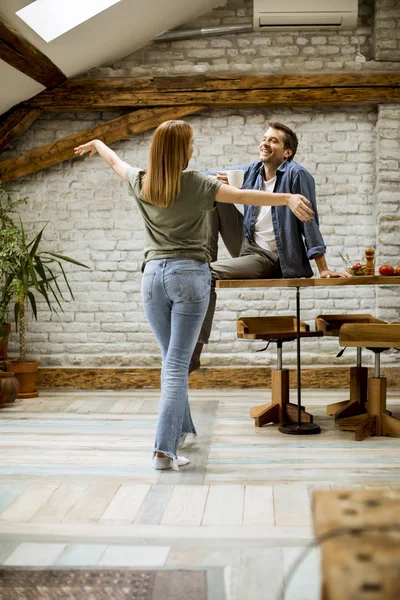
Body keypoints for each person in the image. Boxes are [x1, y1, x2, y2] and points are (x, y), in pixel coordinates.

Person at [74, 120, 314, 471]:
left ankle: (182, 430)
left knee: (170, 359)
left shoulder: (142, 181)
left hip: (152, 277)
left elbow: (115, 162)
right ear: (181, 151)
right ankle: (163, 451)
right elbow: (245, 197)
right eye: (190, 144)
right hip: (189, 277)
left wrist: (98, 142)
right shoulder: (198, 183)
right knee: (175, 367)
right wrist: (288, 197)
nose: (193, 149)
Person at [190, 121, 349, 372]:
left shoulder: (297, 175)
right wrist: (196, 175)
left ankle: (193, 350)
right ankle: (204, 259)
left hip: (273, 258)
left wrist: (323, 267)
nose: (265, 143)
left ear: (287, 152)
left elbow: (310, 220)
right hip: (247, 246)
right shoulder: (252, 171)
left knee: (203, 274)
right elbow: (204, 175)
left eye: (274, 140)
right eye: (264, 138)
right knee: (214, 191)